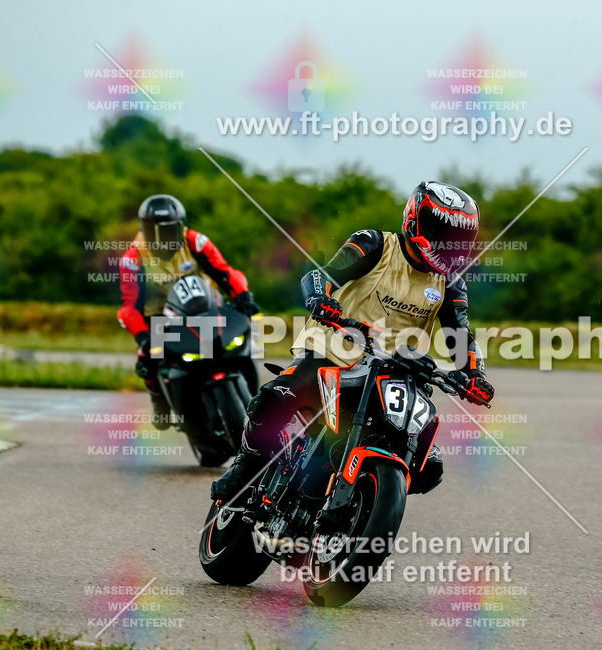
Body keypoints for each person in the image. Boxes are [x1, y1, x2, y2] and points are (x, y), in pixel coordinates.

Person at [210, 181, 494, 505]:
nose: (449, 244)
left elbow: (460, 335)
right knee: (271, 401)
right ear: (415, 220)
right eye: (442, 232)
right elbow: (319, 275)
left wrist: (475, 375)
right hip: (334, 351)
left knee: (430, 466)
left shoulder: (451, 283)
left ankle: (364, 497)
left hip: (399, 373)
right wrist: (320, 298)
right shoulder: (374, 244)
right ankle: (245, 468)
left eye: (457, 238)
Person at [116, 194, 259, 427]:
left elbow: (224, 272)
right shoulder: (133, 258)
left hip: (207, 308)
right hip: (162, 319)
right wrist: (143, 336)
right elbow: (129, 307)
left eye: (170, 230)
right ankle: (159, 403)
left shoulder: (196, 241)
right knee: (147, 359)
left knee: (242, 340)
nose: (164, 238)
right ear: (145, 230)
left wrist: (243, 296)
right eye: (156, 232)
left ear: (181, 226)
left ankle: (256, 397)